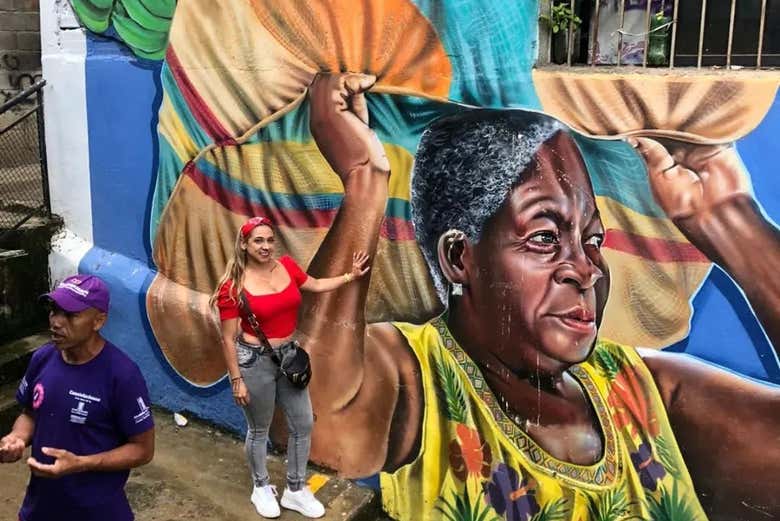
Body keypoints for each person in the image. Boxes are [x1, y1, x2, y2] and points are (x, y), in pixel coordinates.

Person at [297, 73, 780, 520]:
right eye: (545, 238)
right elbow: (318, 423)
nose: (587, 271)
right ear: (459, 257)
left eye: (592, 241)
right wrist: (364, 180)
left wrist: (731, 223)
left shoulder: (644, 393)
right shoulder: (421, 381)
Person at [211, 215, 369, 519]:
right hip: (254, 362)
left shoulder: (287, 267)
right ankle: (261, 487)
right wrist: (236, 380)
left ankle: (295, 489)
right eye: (258, 240)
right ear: (244, 244)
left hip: (289, 357)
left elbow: (316, 284)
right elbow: (227, 339)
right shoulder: (233, 287)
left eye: (270, 240)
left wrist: (351, 276)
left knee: (303, 424)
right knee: (259, 429)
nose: (266, 246)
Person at [0, 274, 155, 521]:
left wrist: (81, 463)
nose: (56, 322)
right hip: (40, 507)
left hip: (97, 511)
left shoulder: (122, 375)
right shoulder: (42, 358)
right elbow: (29, 413)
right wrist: (17, 437)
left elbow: (143, 450)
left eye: (70, 315)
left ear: (98, 321)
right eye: (54, 311)